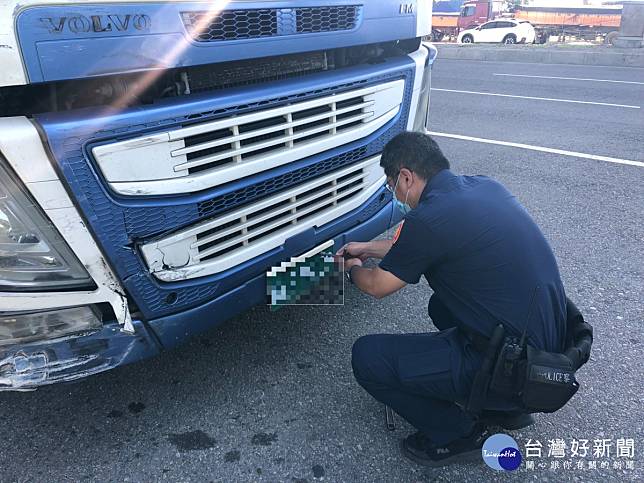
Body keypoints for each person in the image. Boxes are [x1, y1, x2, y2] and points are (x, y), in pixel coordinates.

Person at [337, 131, 568, 467]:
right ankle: (505, 406)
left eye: (391, 186)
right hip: (547, 348)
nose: (394, 194)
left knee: (367, 357)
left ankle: (459, 433)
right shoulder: (484, 188)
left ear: (406, 177)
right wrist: (368, 247)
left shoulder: (427, 219)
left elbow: (376, 285)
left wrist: (352, 266)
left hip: (518, 365)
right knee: (440, 305)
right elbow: (419, 246)